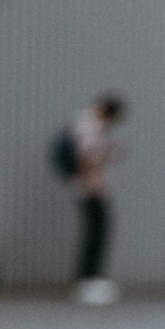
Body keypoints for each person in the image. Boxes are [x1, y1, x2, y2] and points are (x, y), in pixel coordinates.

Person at [60, 91, 127, 303]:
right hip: (90, 189)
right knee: (95, 234)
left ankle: (89, 279)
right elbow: (87, 158)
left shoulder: (86, 124)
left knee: (96, 233)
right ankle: (87, 281)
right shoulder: (89, 126)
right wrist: (108, 155)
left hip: (90, 188)